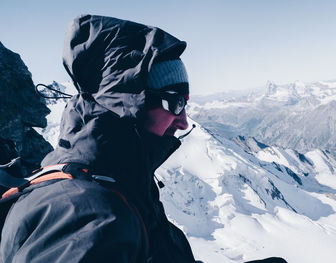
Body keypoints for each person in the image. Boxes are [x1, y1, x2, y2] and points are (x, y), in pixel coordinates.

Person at [0, 14, 200, 263]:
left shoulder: (123, 182)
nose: (183, 122)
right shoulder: (85, 217)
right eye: (176, 103)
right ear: (130, 102)